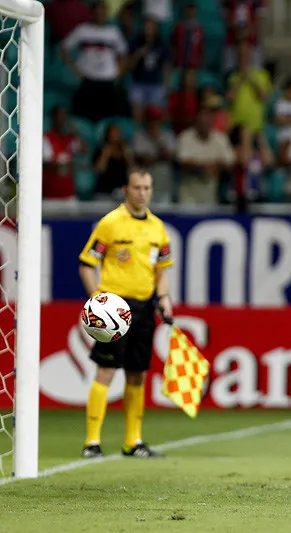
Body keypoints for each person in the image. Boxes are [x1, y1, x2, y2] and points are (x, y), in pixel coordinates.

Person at [78, 171, 174, 459]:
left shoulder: (158, 228)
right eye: (137, 187)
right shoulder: (110, 223)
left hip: (144, 307)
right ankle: (92, 442)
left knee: (137, 373)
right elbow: (87, 263)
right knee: (106, 370)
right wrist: (97, 301)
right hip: (114, 309)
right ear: (125, 189)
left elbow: (162, 270)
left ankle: (133, 441)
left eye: (147, 187)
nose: (142, 193)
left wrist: (164, 298)